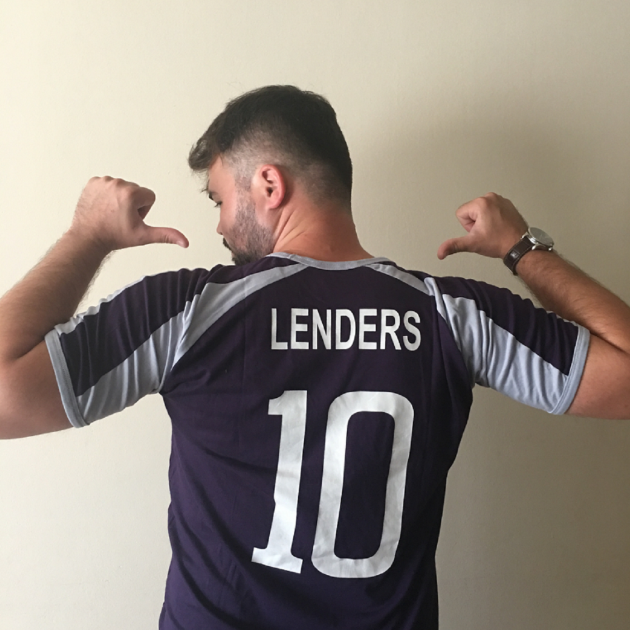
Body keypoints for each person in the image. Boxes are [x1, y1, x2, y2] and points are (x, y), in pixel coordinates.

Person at [1, 85, 629, 630]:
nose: (219, 227)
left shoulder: (187, 309)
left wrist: (88, 235)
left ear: (268, 185)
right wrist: (521, 247)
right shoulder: (453, 314)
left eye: (219, 200)